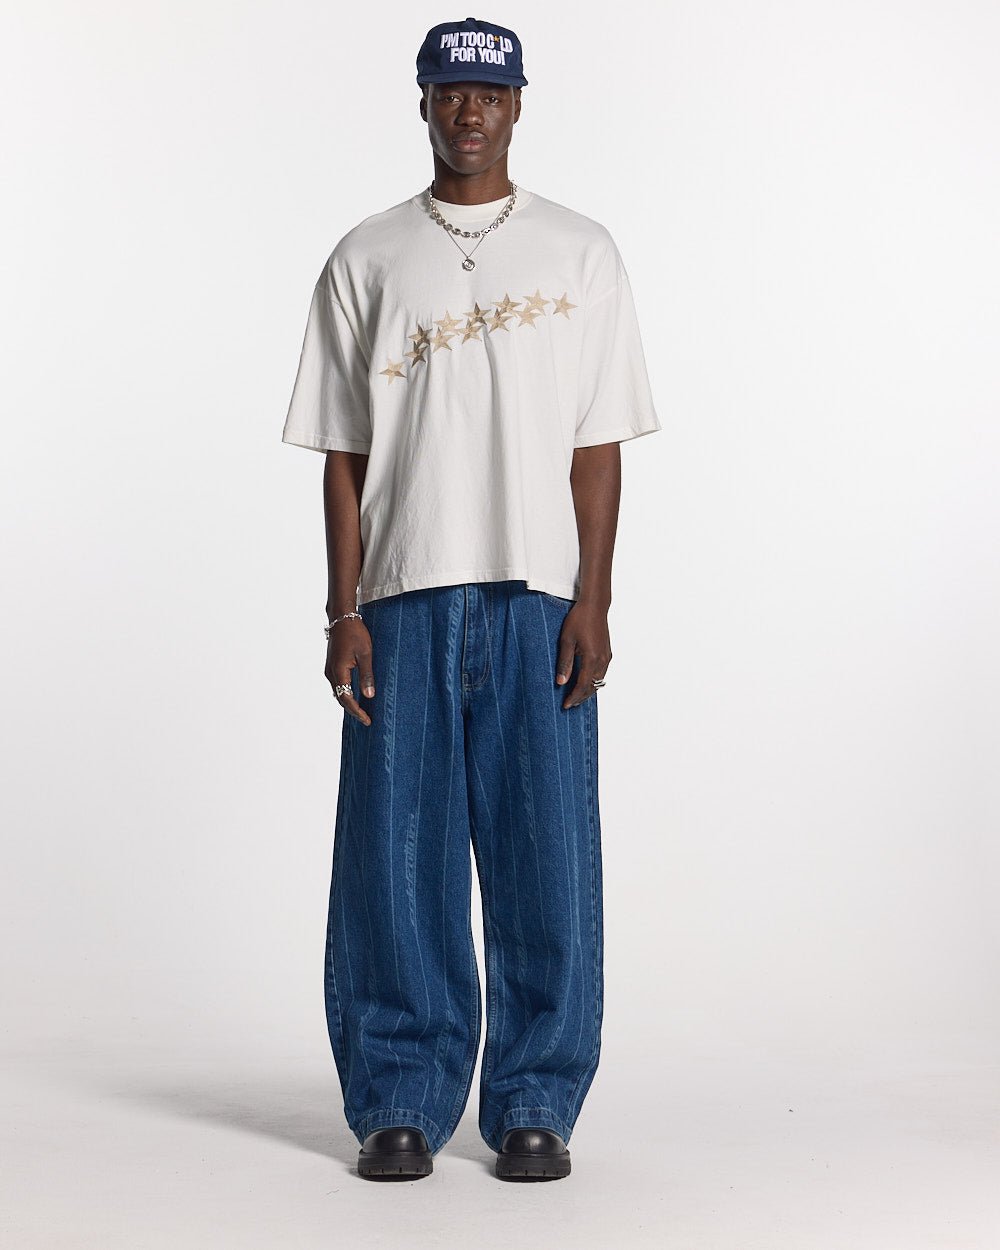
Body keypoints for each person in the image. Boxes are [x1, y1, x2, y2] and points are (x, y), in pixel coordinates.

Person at [281, 16, 661, 1182]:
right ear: (423, 102)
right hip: (400, 594)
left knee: (547, 850)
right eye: (449, 91)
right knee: (395, 854)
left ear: (517, 105)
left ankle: (536, 1096)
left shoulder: (580, 252)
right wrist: (342, 608)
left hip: (537, 593)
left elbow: (597, 443)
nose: (468, 112)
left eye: (488, 94)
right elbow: (343, 451)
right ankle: (400, 1092)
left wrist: (594, 598)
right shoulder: (366, 256)